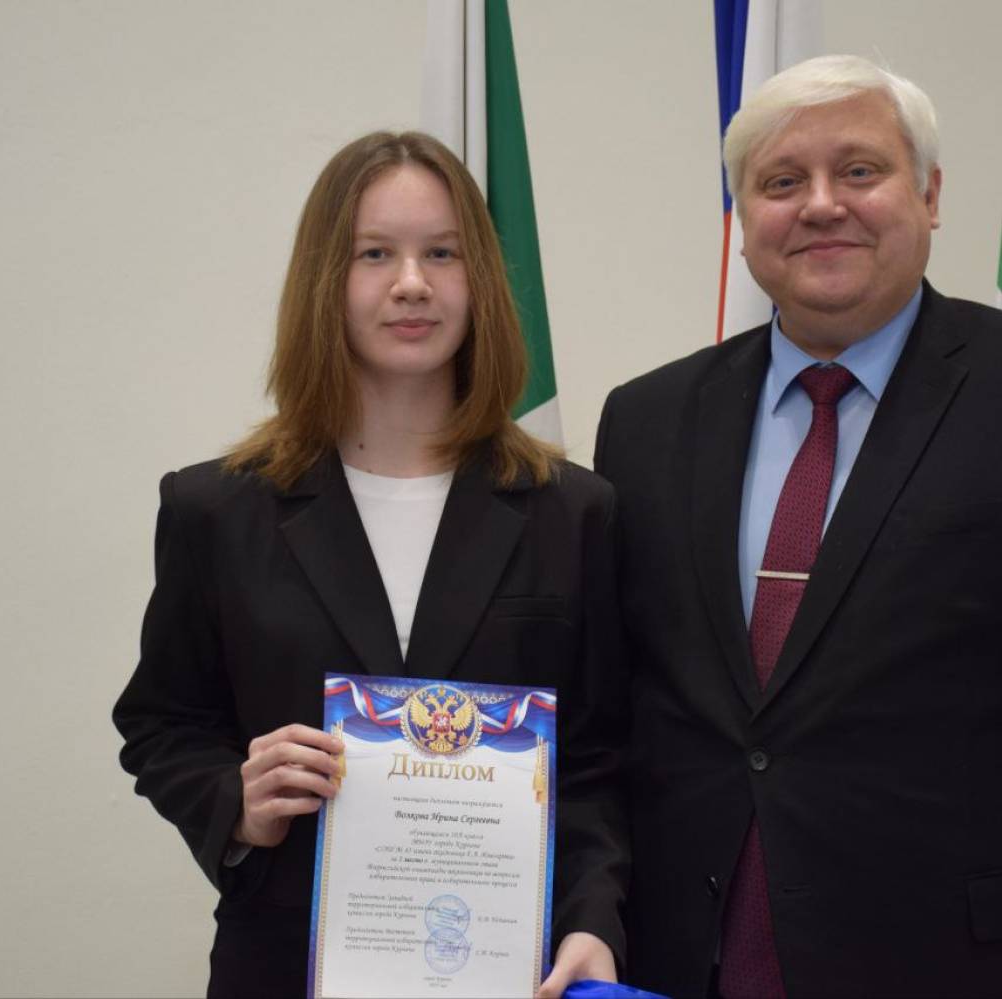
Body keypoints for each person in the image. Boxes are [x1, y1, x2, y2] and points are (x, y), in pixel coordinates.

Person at [594, 55, 1002, 998]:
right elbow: (626, 720)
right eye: (782, 181)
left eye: (859, 170)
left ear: (930, 196)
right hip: (691, 964)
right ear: (741, 218)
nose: (822, 205)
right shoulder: (646, 421)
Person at [114, 131, 625, 998]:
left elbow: (603, 759)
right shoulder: (217, 509)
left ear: (481, 280)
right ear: (327, 280)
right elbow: (162, 724)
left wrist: (593, 918)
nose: (412, 282)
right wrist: (236, 802)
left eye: (443, 253)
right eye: (375, 254)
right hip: (282, 963)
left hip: (514, 968)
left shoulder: (572, 511)